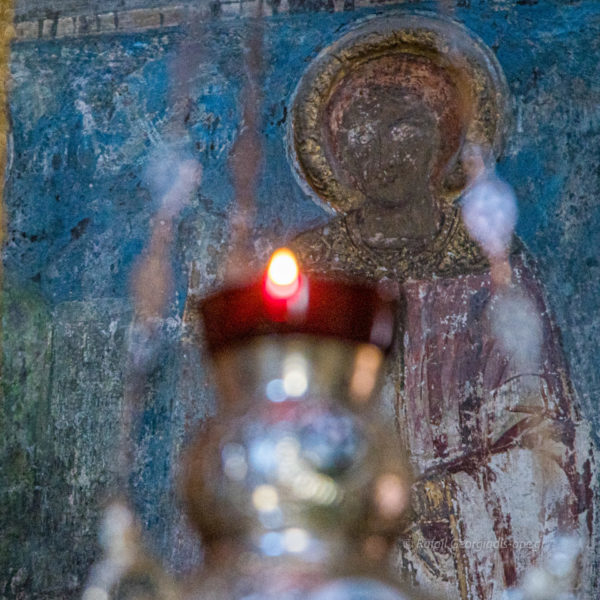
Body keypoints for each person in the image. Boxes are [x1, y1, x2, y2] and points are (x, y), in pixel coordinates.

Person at [288, 16, 597, 600]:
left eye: (405, 125)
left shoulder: (493, 269)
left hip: (458, 559)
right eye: (360, 129)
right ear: (336, 147)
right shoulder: (307, 272)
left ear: (446, 139)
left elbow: (552, 445)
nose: (383, 148)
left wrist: (436, 500)